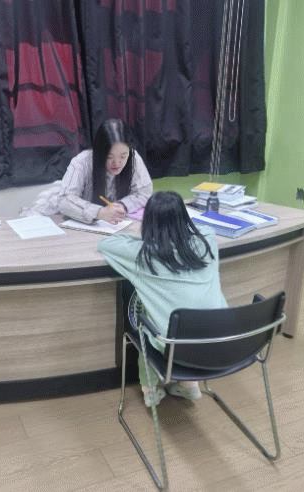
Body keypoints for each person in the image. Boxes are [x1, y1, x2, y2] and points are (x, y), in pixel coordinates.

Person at [98, 191, 227, 407]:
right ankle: (189, 385)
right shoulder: (207, 239)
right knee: (184, 316)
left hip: (177, 347)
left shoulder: (144, 254)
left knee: (144, 319)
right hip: (224, 339)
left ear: (148, 222)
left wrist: (146, 235)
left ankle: (151, 391)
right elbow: (202, 228)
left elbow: (106, 244)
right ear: (184, 218)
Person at [57, 119, 152, 224]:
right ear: (99, 152)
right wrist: (99, 212)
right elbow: (64, 200)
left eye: (123, 156)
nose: (117, 163)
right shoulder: (82, 162)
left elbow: (144, 192)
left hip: (115, 225)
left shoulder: (133, 158)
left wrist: (123, 205)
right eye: (109, 157)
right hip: (81, 225)